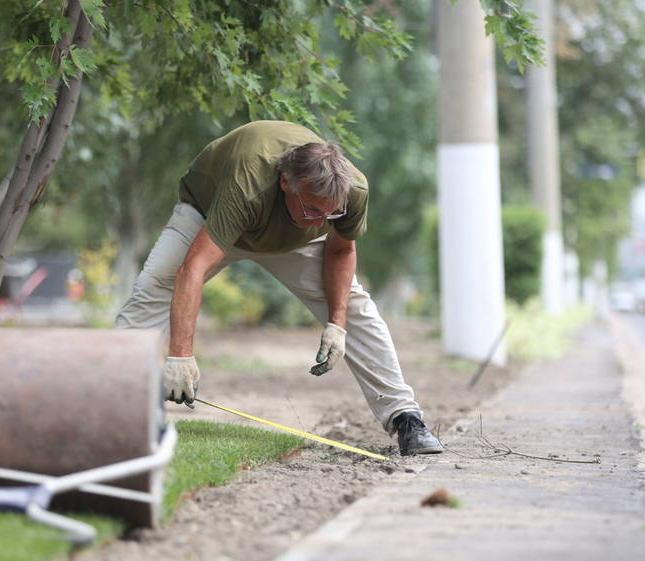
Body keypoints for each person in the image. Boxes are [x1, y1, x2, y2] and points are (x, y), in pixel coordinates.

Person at [115, 121, 442, 456]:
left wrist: (337, 324)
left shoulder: (351, 191)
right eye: (315, 209)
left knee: (356, 307)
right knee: (153, 288)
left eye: (332, 214)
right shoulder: (248, 182)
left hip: (292, 238)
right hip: (209, 213)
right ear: (287, 182)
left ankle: (406, 418)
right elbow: (193, 268)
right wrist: (180, 355)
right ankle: (113, 404)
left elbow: (341, 249)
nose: (323, 221)